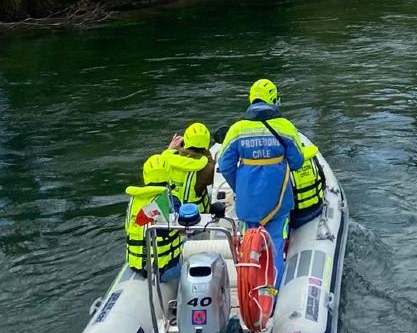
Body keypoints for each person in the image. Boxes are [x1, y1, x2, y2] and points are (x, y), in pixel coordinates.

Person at [216, 79, 306, 288]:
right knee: (274, 244)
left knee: (250, 246)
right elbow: (297, 161)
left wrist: (240, 187)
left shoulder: (237, 129)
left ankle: (249, 290)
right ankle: (271, 296)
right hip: (278, 200)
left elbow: (225, 164)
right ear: (274, 99)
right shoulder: (285, 127)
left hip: (248, 202)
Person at [125, 122, 215, 275]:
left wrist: (169, 150)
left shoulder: (134, 200)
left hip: (138, 264)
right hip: (169, 260)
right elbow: (179, 231)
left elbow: (143, 221)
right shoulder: (169, 201)